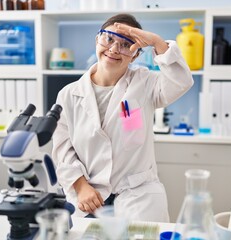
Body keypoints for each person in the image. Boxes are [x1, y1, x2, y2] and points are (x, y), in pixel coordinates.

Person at [52, 13, 193, 222]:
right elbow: (63, 149)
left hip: (138, 197)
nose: (114, 49)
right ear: (97, 39)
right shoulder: (68, 95)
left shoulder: (145, 83)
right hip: (90, 198)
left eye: (126, 44)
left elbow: (181, 81)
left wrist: (156, 42)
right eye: (109, 39)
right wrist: (81, 187)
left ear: (135, 55)